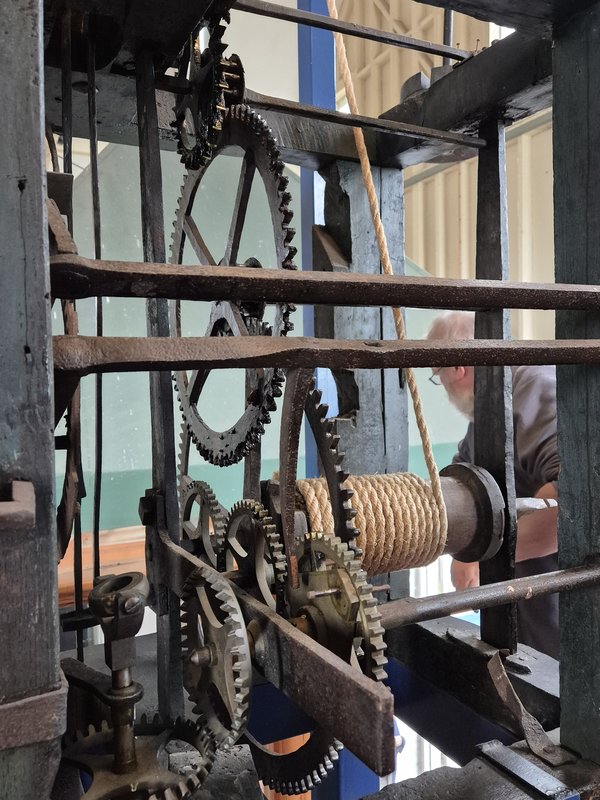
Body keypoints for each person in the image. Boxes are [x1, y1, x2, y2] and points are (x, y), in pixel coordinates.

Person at [426, 311, 560, 659]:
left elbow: (570, 508)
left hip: (570, 630)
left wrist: (484, 557)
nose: (443, 388)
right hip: (534, 629)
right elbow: (458, 483)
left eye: (437, 376)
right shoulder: (487, 417)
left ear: (456, 369)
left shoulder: (535, 391)